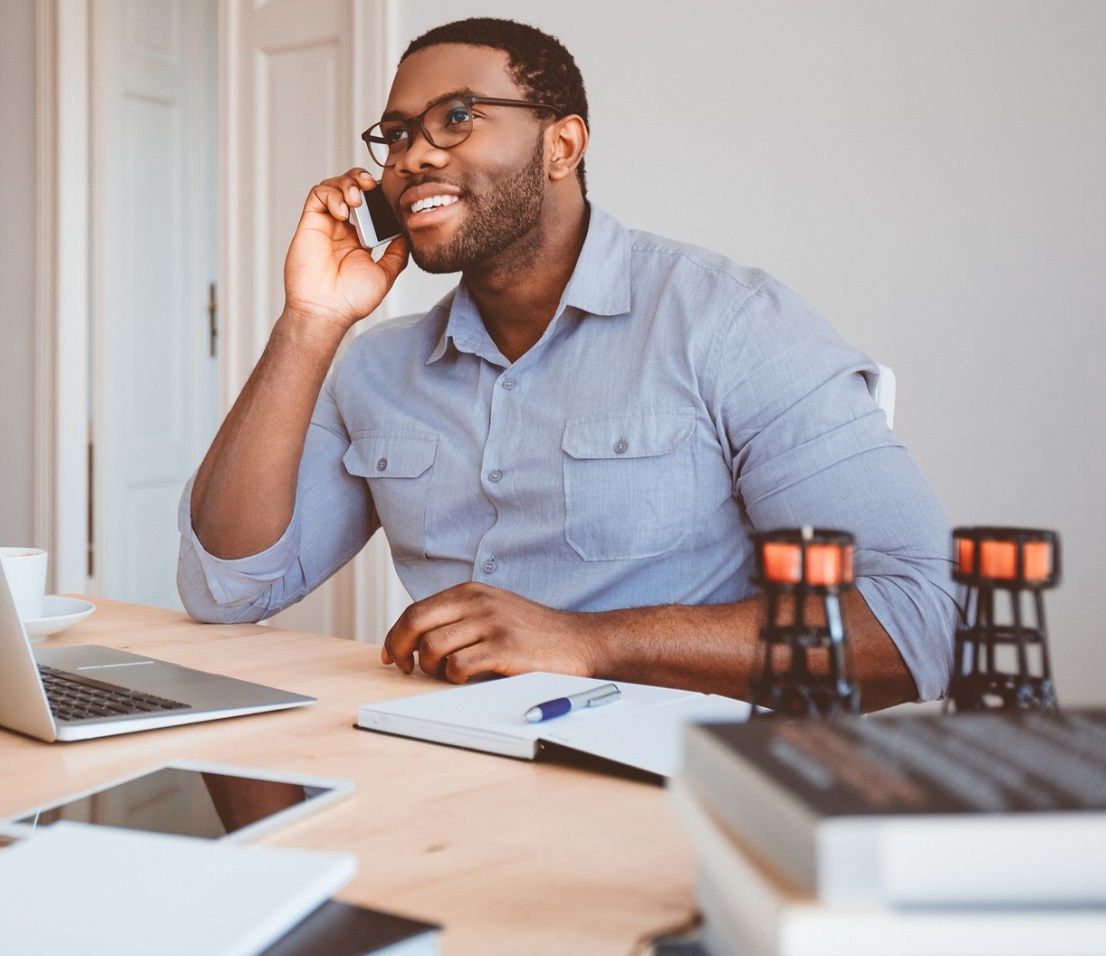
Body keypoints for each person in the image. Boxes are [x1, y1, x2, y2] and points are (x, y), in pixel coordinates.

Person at [177, 17, 954, 709]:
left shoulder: (730, 322)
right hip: (445, 761)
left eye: (456, 117)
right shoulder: (376, 367)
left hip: (676, 780)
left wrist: (586, 641)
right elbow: (227, 588)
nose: (413, 157)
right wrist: (310, 322)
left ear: (563, 145)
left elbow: (925, 615)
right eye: (398, 134)